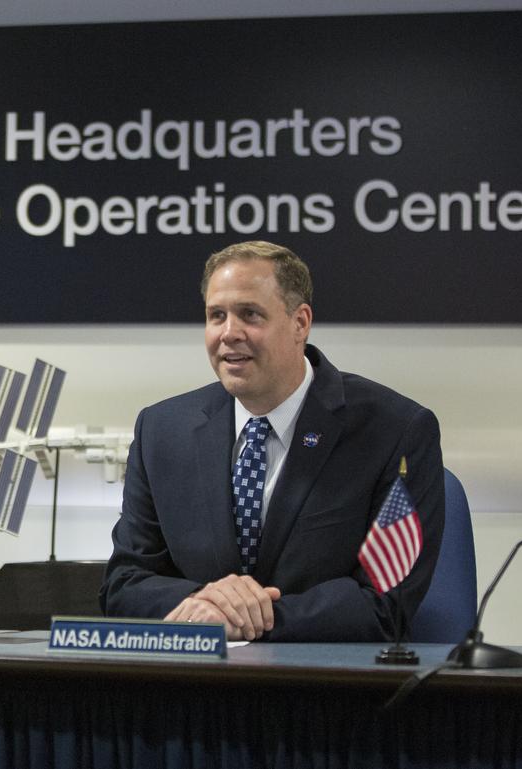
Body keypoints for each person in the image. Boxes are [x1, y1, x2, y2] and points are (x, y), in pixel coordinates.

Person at [100, 241, 443, 641]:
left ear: (300, 323)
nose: (229, 334)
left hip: (322, 689)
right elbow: (123, 585)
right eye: (216, 316)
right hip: (192, 685)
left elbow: (385, 603)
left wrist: (247, 618)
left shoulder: (394, 431)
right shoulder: (161, 431)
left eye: (250, 314)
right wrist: (203, 601)